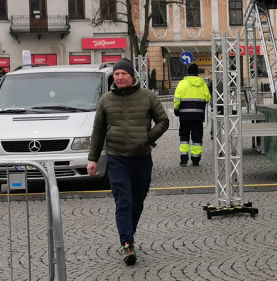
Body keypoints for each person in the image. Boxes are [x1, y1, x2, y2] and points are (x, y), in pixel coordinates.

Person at [87, 58, 169, 265]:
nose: (120, 77)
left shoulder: (148, 96)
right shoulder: (105, 100)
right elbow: (97, 131)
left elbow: (163, 121)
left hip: (141, 158)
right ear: (113, 77)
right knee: (123, 200)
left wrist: (147, 138)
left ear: (132, 76)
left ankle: (128, 233)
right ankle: (127, 243)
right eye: (116, 74)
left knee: (137, 201)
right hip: (117, 158)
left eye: (124, 73)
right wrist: (93, 159)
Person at [173, 63, 212, 166]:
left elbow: (177, 98)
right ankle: (196, 160)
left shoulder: (182, 83)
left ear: (187, 72)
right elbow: (207, 98)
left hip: (184, 116)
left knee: (184, 137)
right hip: (198, 116)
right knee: (197, 138)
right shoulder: (203, 84)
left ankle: (184, 159)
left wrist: (176, 109)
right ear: (197, 73)